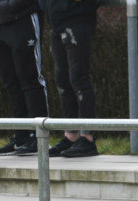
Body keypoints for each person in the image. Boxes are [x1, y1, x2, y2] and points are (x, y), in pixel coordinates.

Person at [0, 0, 49, 156]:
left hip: (23, 18)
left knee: (30, 78)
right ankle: (21, 135)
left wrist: (10, 5)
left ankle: (38, 136)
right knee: (10, 81)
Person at [40, 0, 99, 157]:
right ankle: (71, 135)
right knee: (63, 81)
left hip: (77, 20)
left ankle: (87, 138)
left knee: (79, 78)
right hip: (56, 23)